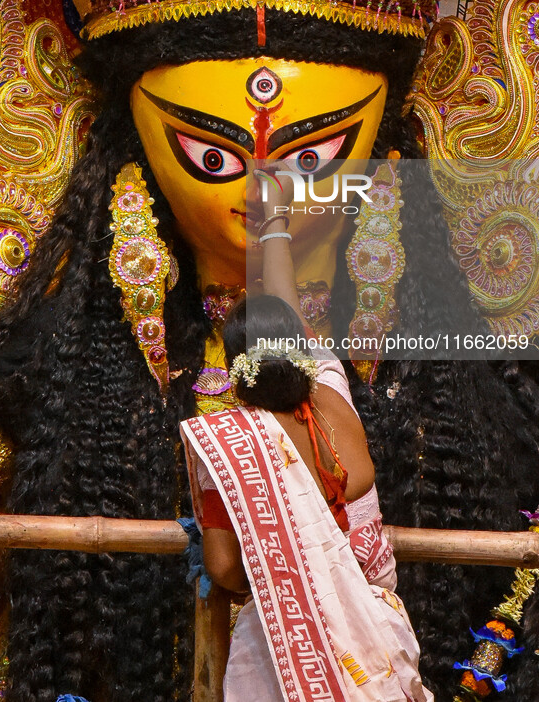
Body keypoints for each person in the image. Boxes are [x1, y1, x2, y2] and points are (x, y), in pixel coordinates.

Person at [0, 0, 539, 699]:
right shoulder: (64, 344)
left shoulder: (441, 361)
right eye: (213, 158)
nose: (263, 190)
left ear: (386, 149)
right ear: (132, 149)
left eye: (311, 158)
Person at [181, 177, 434, 701]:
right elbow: (285, 303)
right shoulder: (331, 394)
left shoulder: (231, 445)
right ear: (301, 349)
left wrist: (286, 577)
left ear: (233, 370)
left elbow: (225, 566)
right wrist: (276, 219)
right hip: (377, 633)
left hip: (285, 647)